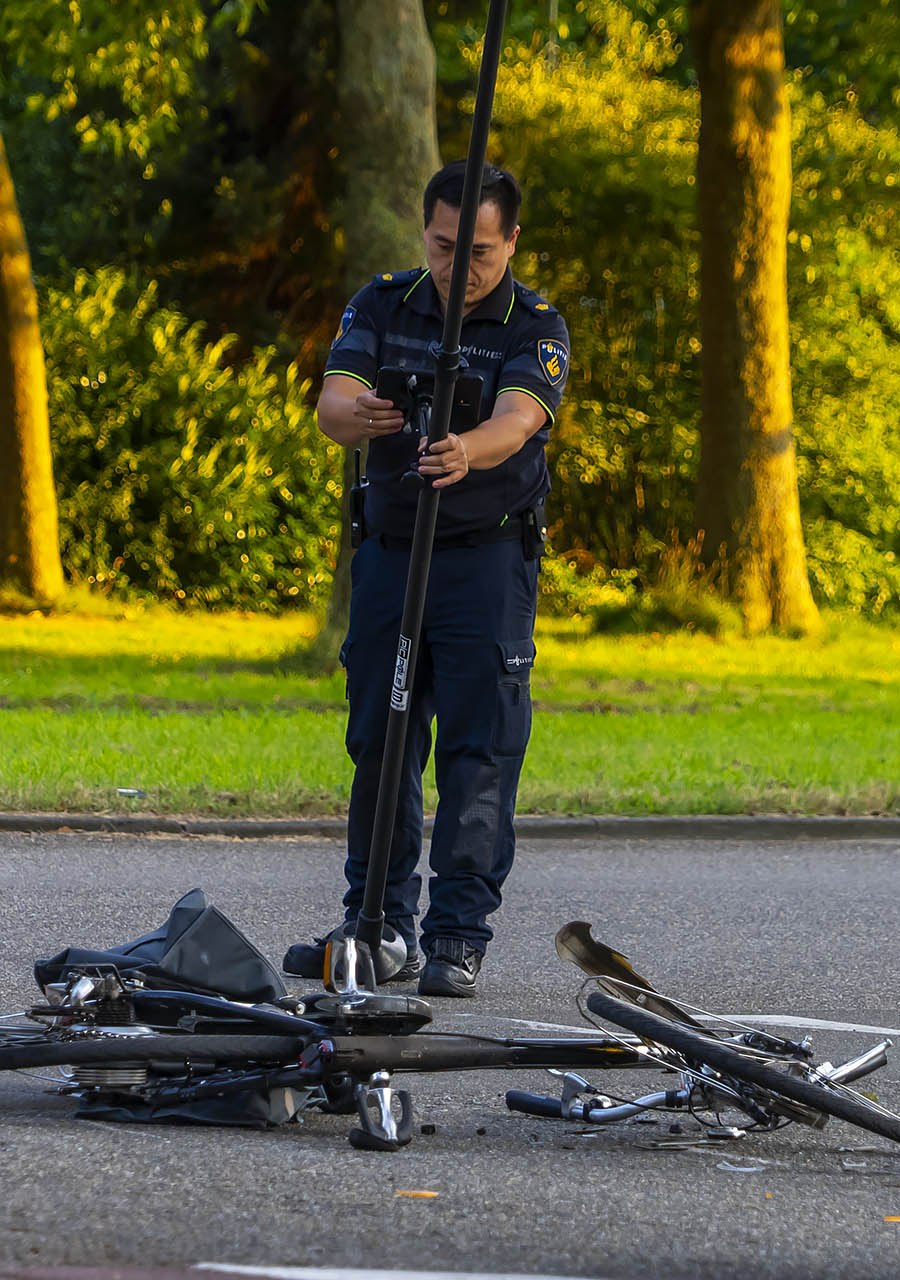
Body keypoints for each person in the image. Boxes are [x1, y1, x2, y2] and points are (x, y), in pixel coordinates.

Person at [287, 160, 570, 998]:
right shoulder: (383, 302)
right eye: (445, 247)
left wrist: (464, 447)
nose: (460, 267)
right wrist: (358, 416)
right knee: (382, 739)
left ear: (511, 242)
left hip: (484, 561)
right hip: (391, 553)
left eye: (479, 251)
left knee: (480, 752)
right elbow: (333, 401)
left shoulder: (535, 325)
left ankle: (457, 936)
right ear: (425, 235)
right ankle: (376, 923)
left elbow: (521, 419)